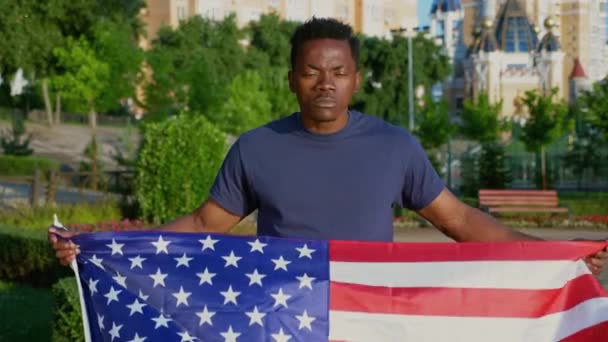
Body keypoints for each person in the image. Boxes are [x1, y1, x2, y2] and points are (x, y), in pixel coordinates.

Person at [49, 17, 606, 274]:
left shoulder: (394, 146)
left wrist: (552, 250)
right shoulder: (256, 147)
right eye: (312, 71)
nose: (325, 82)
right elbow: (201, 225)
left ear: (356, 79)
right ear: (292, 79)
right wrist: (97, 244)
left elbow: (459, 220)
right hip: (281, 314)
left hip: (370, 314)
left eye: (338, 71)